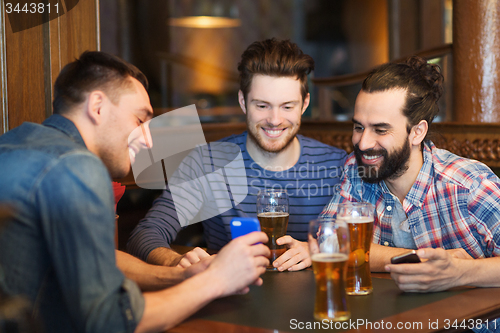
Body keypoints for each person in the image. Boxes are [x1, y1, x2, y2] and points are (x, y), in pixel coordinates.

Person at [0, 51, 270, 332]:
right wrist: (216, 279)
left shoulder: (12, 143)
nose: (148, 140)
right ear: (98, 106)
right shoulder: (79, 166)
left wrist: (182, 275)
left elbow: (97, 255)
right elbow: (111, 322)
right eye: (140, 121)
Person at [127, 38, 347, 272]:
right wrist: (175, 261)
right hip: (232, 299)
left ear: (304, 104)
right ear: (243, 102)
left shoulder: (336, 164)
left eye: (287, 106)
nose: (274, 120)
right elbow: (145, 234)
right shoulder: (207, 162)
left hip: (315, 300)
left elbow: (365, 241)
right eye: (262, 106)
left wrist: (320, 250)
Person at [321, 56, 500, 293]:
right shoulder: (357, 169)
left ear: (417, 132)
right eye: (358, 127)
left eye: (380, 129)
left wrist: (459, 273)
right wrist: (421, 260)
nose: (363, 143)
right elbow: (329, 242)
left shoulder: (470, 185)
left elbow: (346, 249)